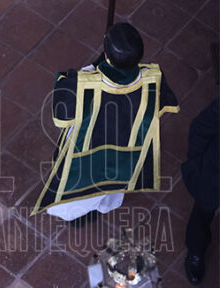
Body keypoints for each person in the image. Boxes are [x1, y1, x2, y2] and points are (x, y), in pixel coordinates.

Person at [32, 22, 179, 224]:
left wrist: (93, 67)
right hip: (125, 150)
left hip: (86, 154)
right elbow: (162, 104)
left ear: (107, 55)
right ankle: (101, 207)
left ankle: (76, 215)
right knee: (112, 184)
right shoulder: (154, 79)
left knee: (77, 187)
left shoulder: (83, 82)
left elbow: (61, 115)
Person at [182, 97, 219, 285]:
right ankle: (195, 251)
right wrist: (196, 163)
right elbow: (201, 128)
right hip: (214, 177)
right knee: (202, 213)